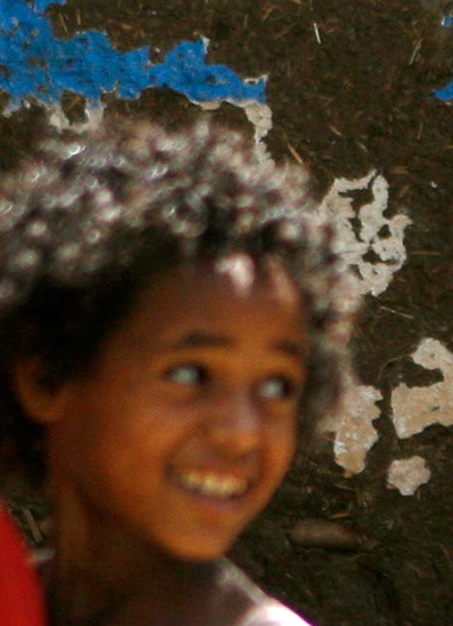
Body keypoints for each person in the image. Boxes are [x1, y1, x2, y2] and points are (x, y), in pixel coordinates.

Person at [0, 122, 359, 626]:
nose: (241, 432)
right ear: (45, 375)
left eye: (278, 386)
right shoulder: (15, 598)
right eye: (191, 374)